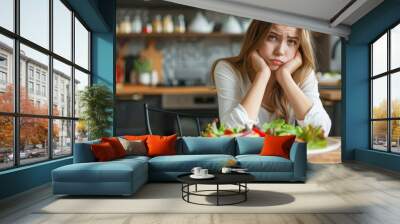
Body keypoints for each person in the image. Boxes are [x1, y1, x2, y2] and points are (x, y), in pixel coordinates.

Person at [211, 20, 331, 136]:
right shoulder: (228, 69)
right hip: (243, 156)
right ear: (255, 37)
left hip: (286, 156)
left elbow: (320, 131)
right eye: (272, 37)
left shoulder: (303, 73)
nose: (280, 51)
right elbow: (231, 132)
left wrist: (285, 77)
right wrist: (262, 75)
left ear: (299, 47)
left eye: (291, 41)